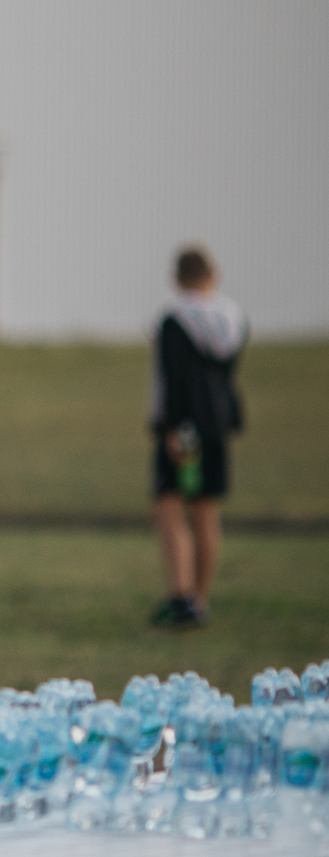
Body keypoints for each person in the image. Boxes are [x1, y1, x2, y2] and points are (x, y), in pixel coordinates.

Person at [148, 244, 248, 628]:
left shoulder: (175, 321)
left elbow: (173, 381)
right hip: (217, 427)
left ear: (177, 278)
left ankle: (181, 597)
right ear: (212, 274)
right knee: (205, 507)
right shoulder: (233, 319)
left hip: (184, 430)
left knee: (170, 503)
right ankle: (200, 599)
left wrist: (171, 428)